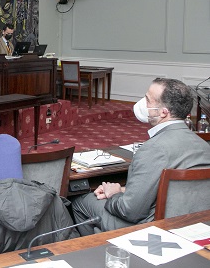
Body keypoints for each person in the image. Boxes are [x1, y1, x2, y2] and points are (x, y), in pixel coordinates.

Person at [71, 78, 210, 235]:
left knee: (81, 202)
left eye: (148, 100)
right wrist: (123, 190)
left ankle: (98, 250)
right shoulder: (205, 147)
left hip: (150, 230)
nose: (142, 104)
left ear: (164, 112)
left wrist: (114, 194)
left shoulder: (153, 149)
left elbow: (130, 211)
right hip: (195, 226)